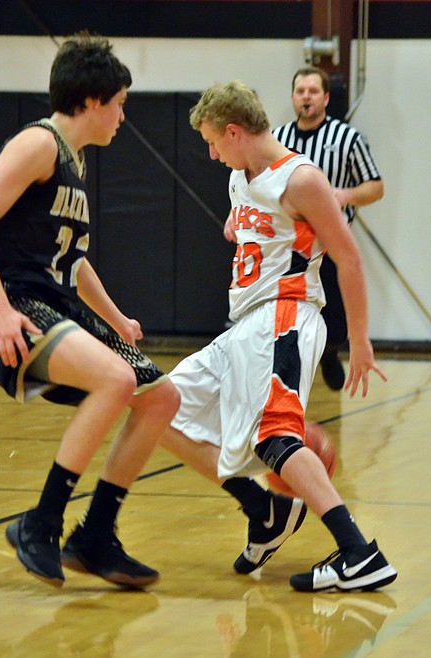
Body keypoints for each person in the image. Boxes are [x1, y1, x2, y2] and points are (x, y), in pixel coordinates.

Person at [160, 80, 397, 592]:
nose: (211, 154)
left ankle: (360, 554)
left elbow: (349, 258)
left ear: (234, 131)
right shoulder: (239, 176)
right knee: (159, 406)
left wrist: (359, 341)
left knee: (274, 438)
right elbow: (251, 223)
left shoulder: (302, 179)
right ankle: (265, 510)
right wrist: (240, 228)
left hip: (286, 316)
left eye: (213, 142)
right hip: (244, 325)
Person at [0, 33, 180, 588]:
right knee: (116, 379)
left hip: (54, 301)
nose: (123, 116)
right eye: (120, 103)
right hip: (13, 299)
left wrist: (114, 318)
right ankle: (41, 523)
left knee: (161, 397)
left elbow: (74, 262)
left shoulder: (74, 160)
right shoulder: (38, 144)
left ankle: (95, 534)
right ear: (91, 100)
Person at [226, 67, 384, 391]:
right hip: (286, 245)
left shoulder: (347, 138)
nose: (306, 97)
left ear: (326, 98)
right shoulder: (277, 138)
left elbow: (376, 186)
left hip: (328, 242)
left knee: (335, 322)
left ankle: (330, 351)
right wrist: (236, 213)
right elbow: (251, 182)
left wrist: (344, 195)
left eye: (313, 91)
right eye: (300, 91)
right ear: (292, 97)